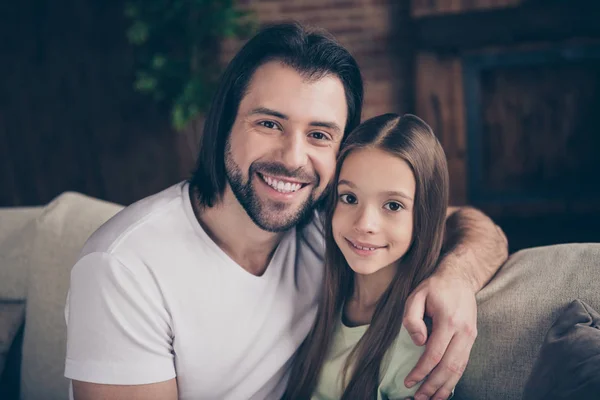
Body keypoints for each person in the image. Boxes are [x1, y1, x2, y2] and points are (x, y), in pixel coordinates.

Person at [64, 23, 508, 400]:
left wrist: (456, 279)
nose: (294, 159)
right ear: (223, 124)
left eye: (319, 135)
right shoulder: (125, 267)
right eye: (269, 124)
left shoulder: (333, 223)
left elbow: (465, 224)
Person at [284, 113, 451, 399]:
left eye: (393, 205)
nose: (364, 224)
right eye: (349, 198)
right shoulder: (318, 291)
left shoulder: (416, 339)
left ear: (424, 215)